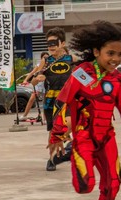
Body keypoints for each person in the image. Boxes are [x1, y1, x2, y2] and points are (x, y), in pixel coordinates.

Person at [47, 20, 121, 200]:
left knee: (114, 182)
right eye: (110, 53)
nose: (116, 59)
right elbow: (63, 102)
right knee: (85, 186)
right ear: (95, 51)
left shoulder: (119, 80)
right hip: (84, 136)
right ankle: (71, 154)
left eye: (120, 54)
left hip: (106, 137)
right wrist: (57, 133)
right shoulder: (82, 73)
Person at [31, 27, 78, 171]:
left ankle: (69, 145)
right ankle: (52, 158)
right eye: (48, 43)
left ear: (62, 43)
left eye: (53, 43)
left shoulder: (72, 59)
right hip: (51, 101)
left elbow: (83, 76)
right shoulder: (46, 60)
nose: (50, 46)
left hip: (68, 99)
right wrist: (38, 78)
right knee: (53, 132)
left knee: (69, 123)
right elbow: (33, 80)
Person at [19, 51, 49, 122]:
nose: (45, 59)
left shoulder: (50, 65)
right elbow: (32, 73)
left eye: (47, 58)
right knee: (32, 98)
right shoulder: (39, 65)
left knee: (45, 101)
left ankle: (45, 118)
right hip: (38, 84)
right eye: (44, 58)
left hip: (46, 83)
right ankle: (24, 115)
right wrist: (25, 80)